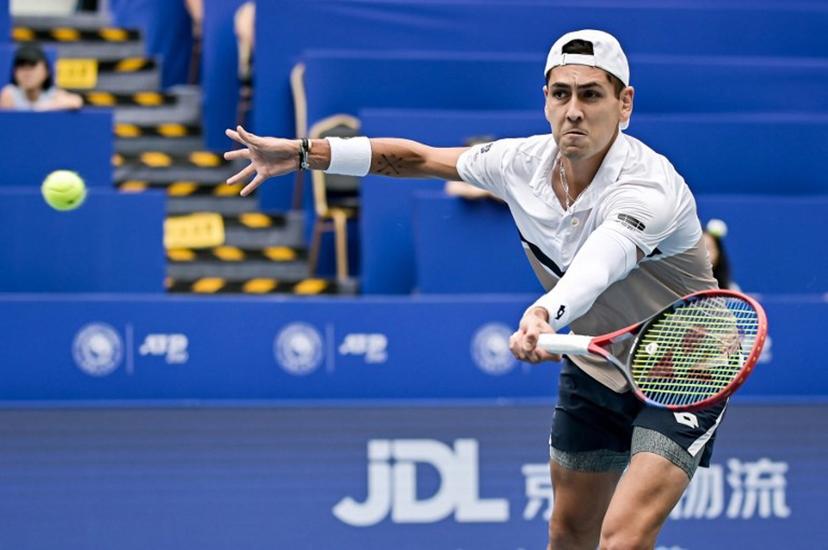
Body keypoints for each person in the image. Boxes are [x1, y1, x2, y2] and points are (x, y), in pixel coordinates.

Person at [223, 29, 726, 549]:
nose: (574, 110)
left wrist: (543, 313)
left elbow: (602, 262)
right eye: (561, 94)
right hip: (597, 355)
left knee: (621, 538)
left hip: (688, 362)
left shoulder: (650, 185)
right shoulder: (520, 164)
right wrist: (306, 153)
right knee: (569, 531)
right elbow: (419, 158)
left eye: (591, 94)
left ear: (625, 104)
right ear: (546, 101)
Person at [0, 44, 83, 111]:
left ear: (46, 71)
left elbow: (76, 101)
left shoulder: (53, 95)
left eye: (32, 66)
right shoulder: (9, 94)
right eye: (22, 67)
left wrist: (42, 108)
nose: (27, 73)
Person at [704, 218, 739, 290]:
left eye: (708, 248)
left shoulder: (732, 289)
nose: (704, 254)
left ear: (718, 252)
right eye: (699, 249)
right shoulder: (679, 288)